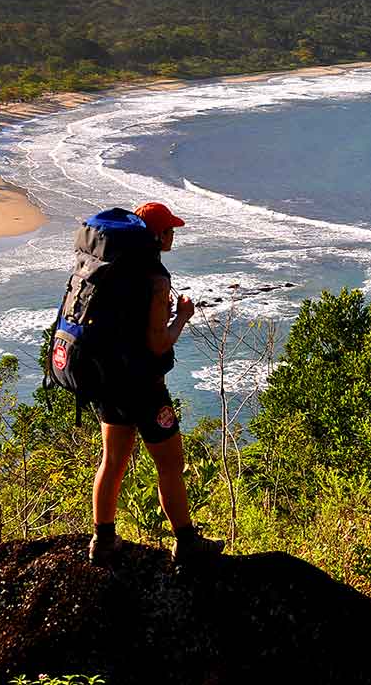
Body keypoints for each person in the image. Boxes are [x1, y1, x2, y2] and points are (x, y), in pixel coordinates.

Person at [88, 201, 225, 565]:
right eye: (171, 231)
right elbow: (158, 343)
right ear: (160, 235)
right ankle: (186, 542)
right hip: (146, 388)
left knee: (113, 460)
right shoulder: (155, 280)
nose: (174, 237)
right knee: (170, 464)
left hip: (111, 380)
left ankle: (102, 541)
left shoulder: (113, 268)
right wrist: (182, 317)